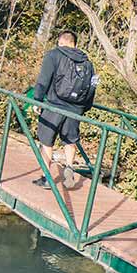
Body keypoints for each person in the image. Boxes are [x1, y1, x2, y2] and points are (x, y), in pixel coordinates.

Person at [31, 31, 97, 190]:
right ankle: (69, 168)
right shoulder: (87, 63)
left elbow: (43, 80)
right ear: (75, 43)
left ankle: (46, 177)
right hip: (75, 108)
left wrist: (37, 100)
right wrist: (84, 108)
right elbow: (93, 86)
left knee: (47, 141)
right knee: (70, 140)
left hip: (54, 105)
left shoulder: (54, 55)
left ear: (60, 42)